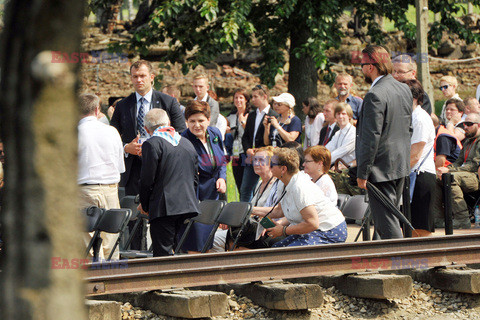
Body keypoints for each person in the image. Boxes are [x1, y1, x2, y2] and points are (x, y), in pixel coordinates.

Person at [110, 60, 186, 250]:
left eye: (143, 76)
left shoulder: (168, 102)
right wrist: (126, 147)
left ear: (152, 77)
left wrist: (159, 148)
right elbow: (110, 138)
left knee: (164, 221)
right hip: (134, 170)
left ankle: (167, 261)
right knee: (135, 221)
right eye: (135, 76)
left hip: (164, 169)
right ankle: (137, 260)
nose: (139, 80)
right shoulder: (123, 106)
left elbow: (182, 134)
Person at [356, 45, 413, 239]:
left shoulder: (375, 95)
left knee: (387, 223)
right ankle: (381, 259)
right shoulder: (404, 88)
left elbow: (371, 137)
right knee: (386, 217)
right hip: (400, 164)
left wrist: (362, 172)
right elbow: (408, 128)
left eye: (362, 65)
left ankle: (403, 263)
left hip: (380, 168)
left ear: (371, 67)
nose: (361, 69)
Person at [251, 148, 347, 247]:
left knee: (287, 255)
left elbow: (313, 223)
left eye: (272, 165)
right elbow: (279, 211)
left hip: (330, 230)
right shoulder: (282, 182)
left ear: (283, 169)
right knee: (277, 249)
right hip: (313, 229)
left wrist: (284, 230)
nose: (269, 167)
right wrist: (250, 210)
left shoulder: (299, 187)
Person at [138, 109, 200, 257]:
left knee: (162, 252)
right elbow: (195, 178)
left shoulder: (152, 144)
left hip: (163, 206)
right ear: (169, 123)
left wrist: (145, 204)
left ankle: (166, 280)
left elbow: (147, 180)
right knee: (174, 248)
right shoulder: (187, 143)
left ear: (146, 129)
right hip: (186, 205)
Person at [78, 94, 125, 260]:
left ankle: (90, 278)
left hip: (83, 189)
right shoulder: (112, 131)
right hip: (110, 188)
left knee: (86, 241)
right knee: (110, 241)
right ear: (97, 110)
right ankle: (113, 279)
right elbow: (120, 166)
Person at [181, 100, 227, 252]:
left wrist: (222, 177)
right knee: (195, 242)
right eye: (192, 121)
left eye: (201, 120)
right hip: (194, 197)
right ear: (186, 122)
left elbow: (221, 161)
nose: (196, 125)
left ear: (208, 120)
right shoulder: (184, 140)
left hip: (213, 194)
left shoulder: (215, 133)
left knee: (208, 242)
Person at [433, 113, 480, 229]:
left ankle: (462, 219)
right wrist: (446, 169)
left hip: (475, 175)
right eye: (464, 124)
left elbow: (474, 165)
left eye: (469, 124)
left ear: (478, 125)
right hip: (465, 174)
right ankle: (438, 219)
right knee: (435, 178)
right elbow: (458, 162)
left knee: (450, 178)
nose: (465, 127)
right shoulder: (468, 142)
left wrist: (448, 170)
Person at [403, 79, 436, 237]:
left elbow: (415, 155)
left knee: (420, 228)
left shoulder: (420, 119)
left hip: (420, 176)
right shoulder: (410, 117)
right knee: (407, 227)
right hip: (411, 175)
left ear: (414, 97)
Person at [241, 84, 279, 202]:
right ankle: (245, 214)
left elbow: (273, 139)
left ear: (264, 97)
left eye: (255, 97)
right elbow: (246, 136)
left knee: (266, 185)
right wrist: (247, 149)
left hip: (265, 157)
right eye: (252, 97)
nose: (252, 100)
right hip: (251, 156)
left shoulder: (274, 115)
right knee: (246, 188)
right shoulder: (252, 115)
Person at [226, 89, 251, 192]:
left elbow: (252, 134)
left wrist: (244, 124)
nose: (238, 100)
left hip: (246, 152)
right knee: (239, 184)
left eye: (241, 97)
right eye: (236, 97)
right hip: (235, 153)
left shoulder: (251, 115)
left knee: (247, 186)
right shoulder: (230, 116)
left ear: (246, 100)